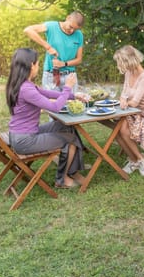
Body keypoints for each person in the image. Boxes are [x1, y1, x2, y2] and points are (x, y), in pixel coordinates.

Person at [6, 48, 86, 188]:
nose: (38, 67)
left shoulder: (22, 84)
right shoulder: (26, 89)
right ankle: (62, 180)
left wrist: (74, 95)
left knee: (66, 127)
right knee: (70, 139)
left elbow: (46, 93)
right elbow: (55, 108)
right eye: (37, 64)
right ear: (31, 65)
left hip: (22, 134)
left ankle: (72, 171)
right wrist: (67, 87)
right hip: (25, 140)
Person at [113, 45, 144, 176]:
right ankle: (136, 159)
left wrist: (125, 102)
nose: (122, 67)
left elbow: (135, 102)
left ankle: (139, 159)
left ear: (129, 61)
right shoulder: (129, 73)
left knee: (122, 129)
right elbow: (124, 93)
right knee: (117, 130)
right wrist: (122, 100)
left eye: (122, 63)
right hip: (132, 111)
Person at [24, 11, 85, 93]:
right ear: (68, 18)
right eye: (71, 27)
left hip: (70, 77)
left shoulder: (79, 35)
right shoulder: (51, 26)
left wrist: (63, 64)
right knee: (52, 104)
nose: (72, 30)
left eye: (75, 29)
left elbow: (79, 59)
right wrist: (48, 47)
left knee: (72, 105)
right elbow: (28, 30)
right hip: (51, 75)